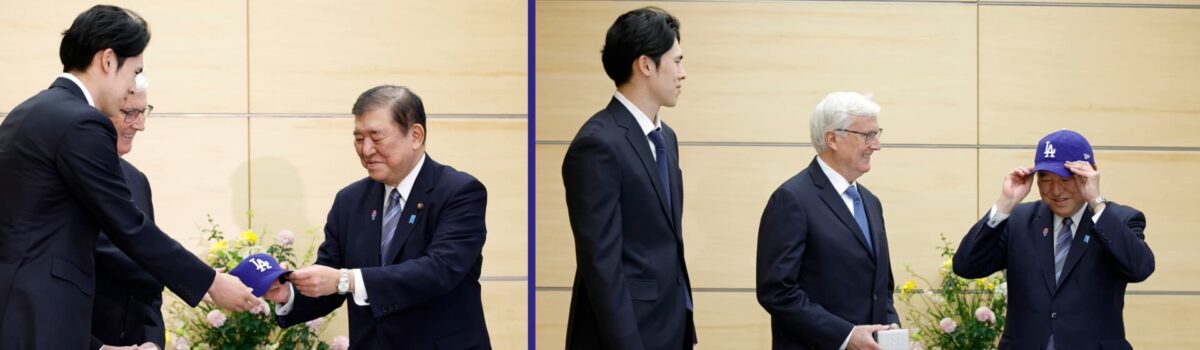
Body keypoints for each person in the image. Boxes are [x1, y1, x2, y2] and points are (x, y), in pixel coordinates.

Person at [0, 5, 259, 349]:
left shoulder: (28, 113)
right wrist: (211, 282)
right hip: (42, 315)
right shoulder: (81, 121)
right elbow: (128, 225)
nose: (131, 86)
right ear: (108, 60)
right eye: (134, 72)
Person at [264, 85, 491, 349]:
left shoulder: (459, 192)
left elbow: (439, 270)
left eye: (376, 137)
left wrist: (346, 280)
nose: (366, 150)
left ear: (415, 135)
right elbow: (332, 279)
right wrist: (288, 293)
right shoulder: (349, 201)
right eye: (359, 138)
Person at [561, 7, 695, 350]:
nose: (683, 73)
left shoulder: (666, 138)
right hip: (625, 334)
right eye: (677, 61)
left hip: (670, 326)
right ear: (646, 65)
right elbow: (601, 265)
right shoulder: (597, 144)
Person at [953, 129, 1154, 349]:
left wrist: (1097, 203)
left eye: (1066, 179)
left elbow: (1140, 268)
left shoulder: (1118, 220)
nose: (1056, 191)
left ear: (1090, 174)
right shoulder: (1019, 219)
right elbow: (966, 266)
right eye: (1045, 179)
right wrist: (1004, 204)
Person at [756, 92, 899, 350]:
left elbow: (882, 289)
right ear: (832, 139)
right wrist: (846, 336)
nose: (876, 145)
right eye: (867, 135)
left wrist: (894, 336)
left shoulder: (871, 203)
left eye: (877, 134)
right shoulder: (791, 199)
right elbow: (777, 292)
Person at [89, 75, 168, 350]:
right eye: (129, 113)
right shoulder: (65, 177)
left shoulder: (138, 181)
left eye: (143, 112)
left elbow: (150, 285)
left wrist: (152, 341)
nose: (140, 125)